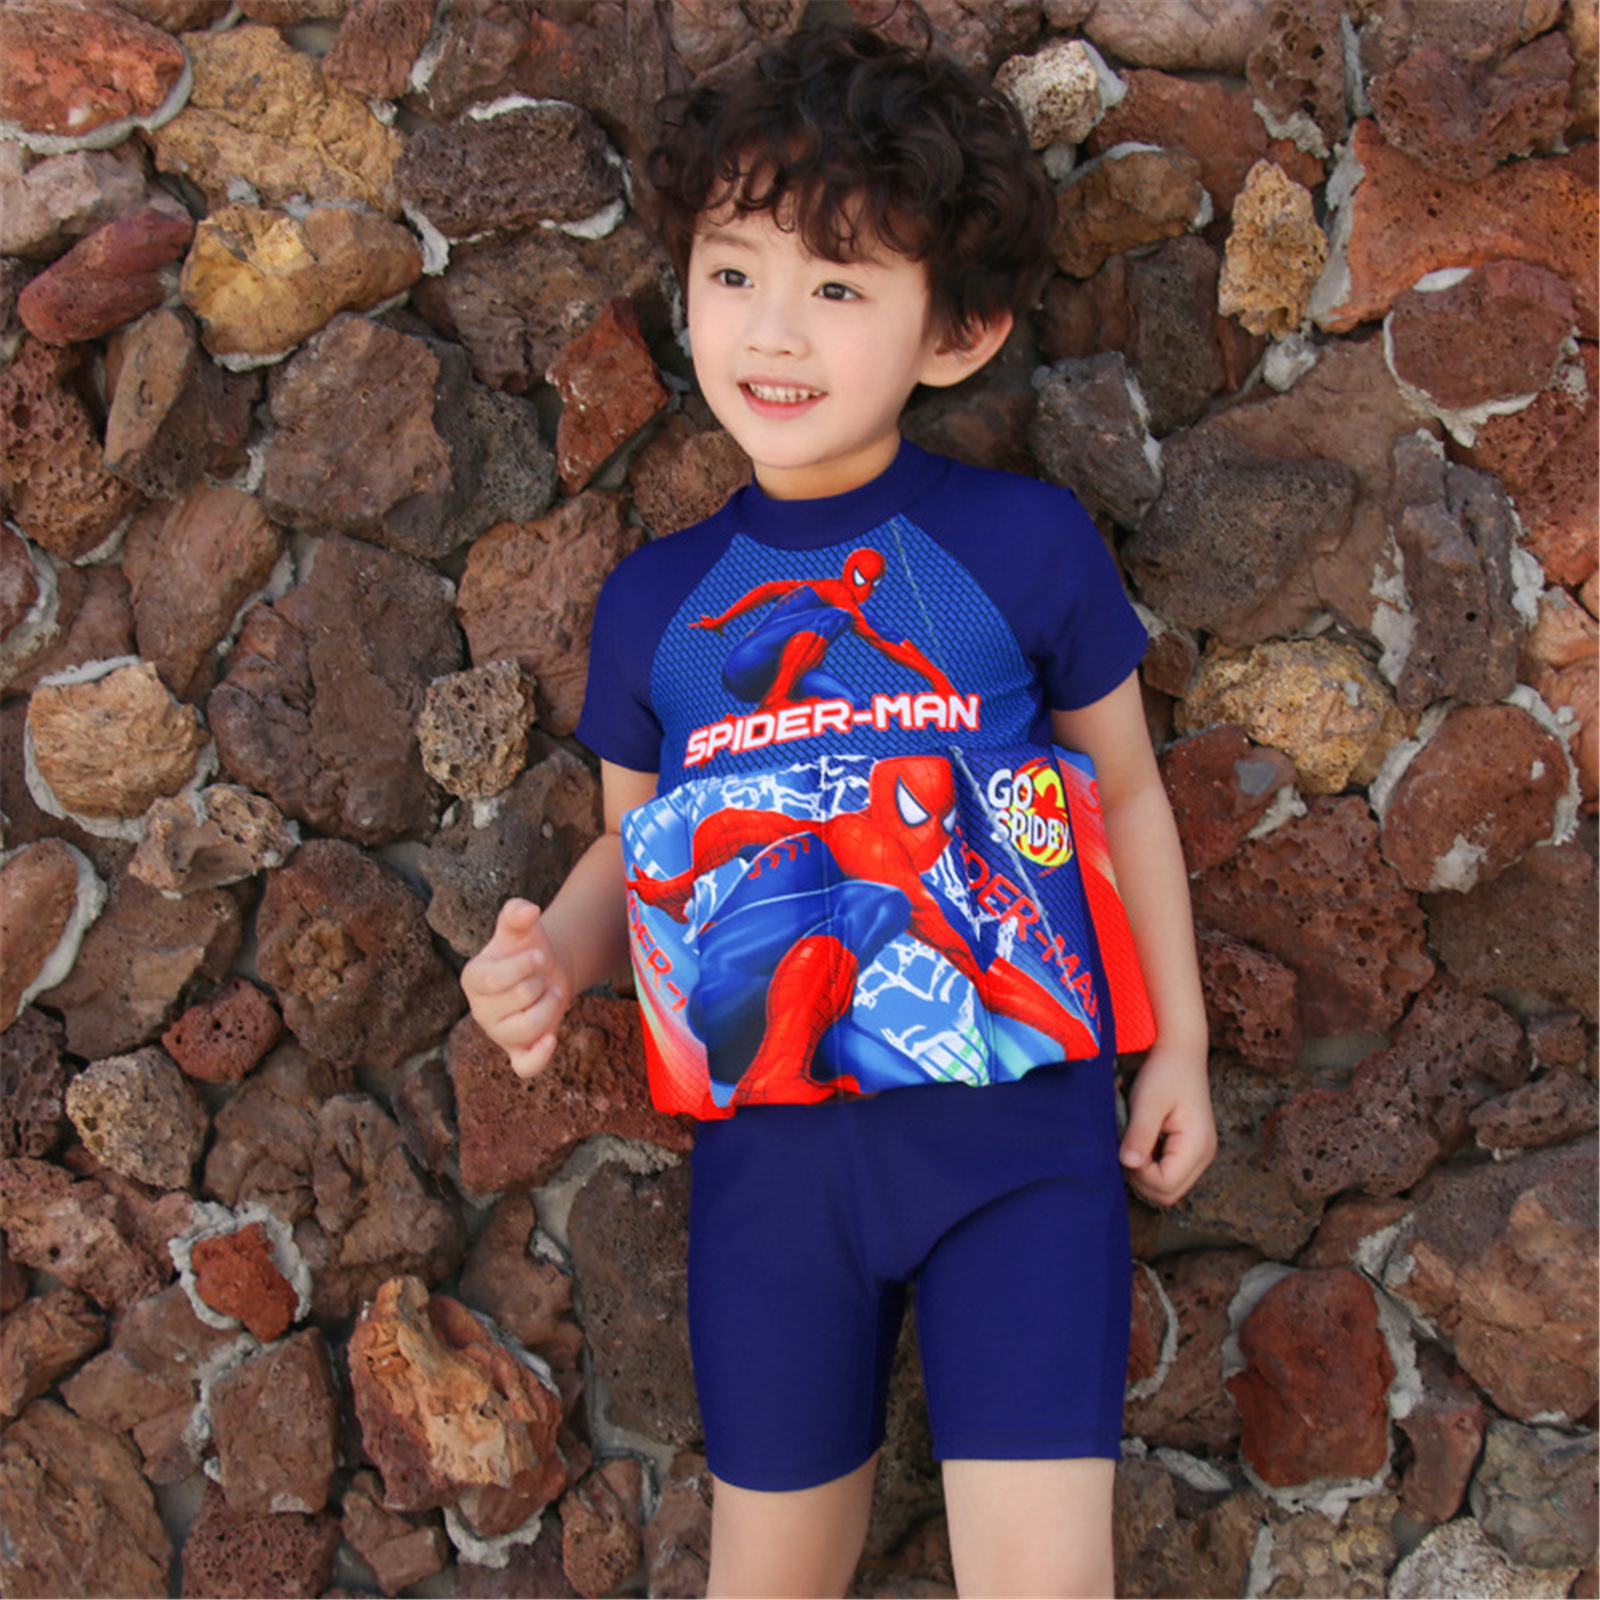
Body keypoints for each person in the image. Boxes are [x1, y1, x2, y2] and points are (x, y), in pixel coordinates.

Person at [462, 21, 1216, 1597]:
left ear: (959, 331)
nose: (772, 328)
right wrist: (550, 964)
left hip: (1023, 1146)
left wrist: (1182, 1051)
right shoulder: (656, 604)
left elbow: (1131, 798)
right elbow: (642, 862)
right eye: (734, 272)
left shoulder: (1025, 546)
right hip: (774, 1176)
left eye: (840, 286)